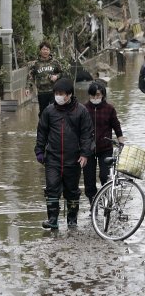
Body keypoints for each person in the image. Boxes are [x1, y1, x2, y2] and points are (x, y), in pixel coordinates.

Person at [34, 78, 94, 230]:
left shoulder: (81, 111)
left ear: (69, 95)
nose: (58, 96)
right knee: (51, 188)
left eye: (61, 94)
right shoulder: (49, 111)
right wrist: (39, 151)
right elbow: (42, 132)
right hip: (52, 158)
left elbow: (87, 134)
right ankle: (52, 219)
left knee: (72, 191)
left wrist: (85, 154)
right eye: (56, 93)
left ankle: (72, 220)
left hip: (73, 158)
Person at [83, 81, 123, 205]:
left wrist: (120, 139)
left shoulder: (109, 109)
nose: (95, 98)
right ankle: (92, 203)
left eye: (98, 95)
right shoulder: (83, 109)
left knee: (105, 176)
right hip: (88, 148)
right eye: (93, 96)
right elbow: (78, 128)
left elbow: (116, 125)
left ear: (103, 95)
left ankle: (106, 200)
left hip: (105, 147)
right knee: (89, 179)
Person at [28, 41, 62, 117]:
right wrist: (28, 88)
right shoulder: (35, 64)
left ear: (50, 51)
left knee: (55, 110)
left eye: (47, 49)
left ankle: (54, 127)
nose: (45, 51)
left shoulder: (55, 62)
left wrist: (56, 76)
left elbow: (62, 73)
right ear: (40, 51)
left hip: (54, 91)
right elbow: (30, 77)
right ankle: (43, 127)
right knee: (43, 112)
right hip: (42, 92)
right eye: (43, 49)